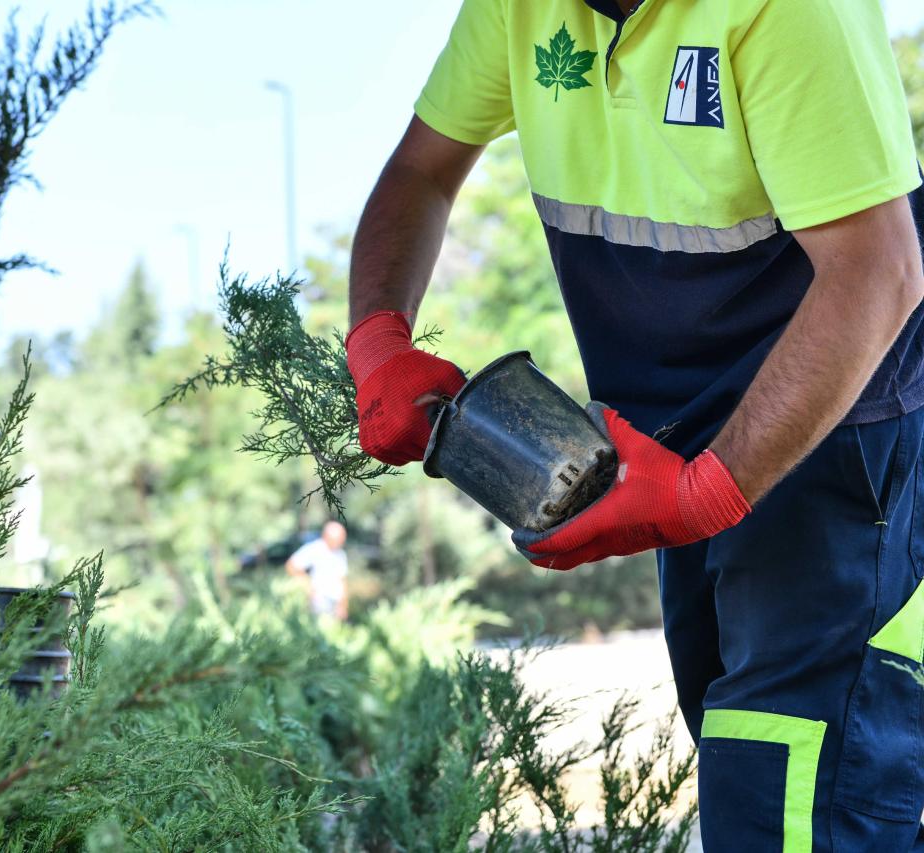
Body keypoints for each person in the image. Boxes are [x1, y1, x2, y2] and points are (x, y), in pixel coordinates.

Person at [345, 1, 924, 849]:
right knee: (755, 783)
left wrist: (705, 494)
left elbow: (880, 270)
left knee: (796, 805)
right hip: (673, 459)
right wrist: (378, 337)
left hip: (832, 458)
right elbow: (423, 172)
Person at [285, 522, 349, 621]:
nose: (340, 542)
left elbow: (342, 580)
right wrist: (307, 585)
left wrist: (343, 605)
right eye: (338, 539)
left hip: (335, 604)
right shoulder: (315, 549)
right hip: (320, 602)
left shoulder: (341, 554)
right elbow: (291, 565)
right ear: (326, 536)